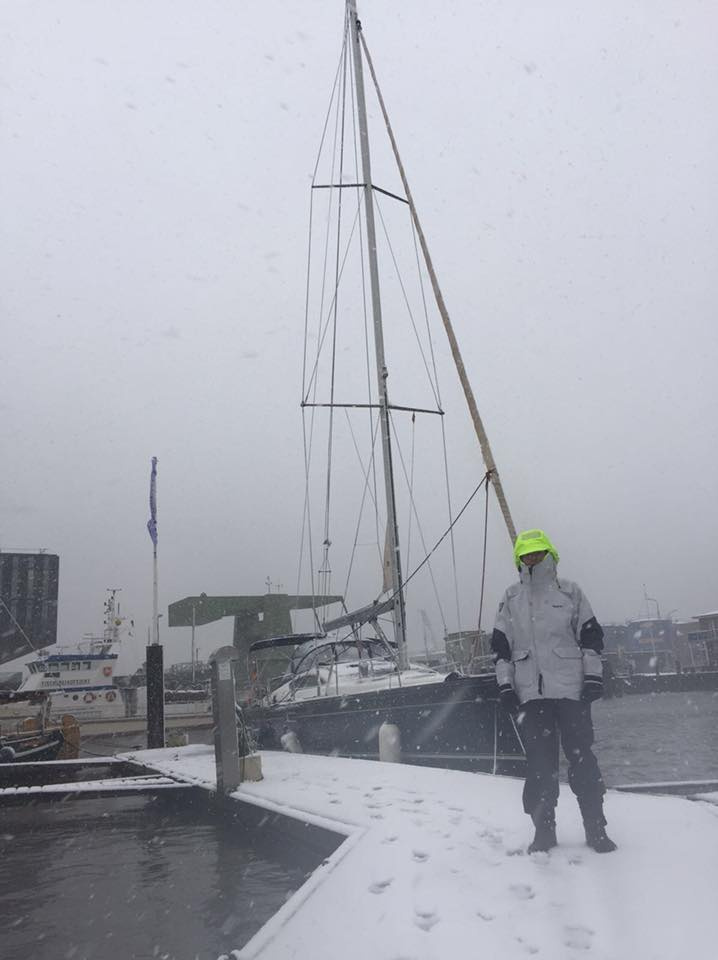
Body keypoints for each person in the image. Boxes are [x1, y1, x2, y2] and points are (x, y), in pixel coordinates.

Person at [491, 529, 617, 854]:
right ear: (518, 559)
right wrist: (505, 685)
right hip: (530, 695)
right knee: (539, 766)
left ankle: (596, 829)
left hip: (571, 692)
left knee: (582, 759)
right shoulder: (510, 598)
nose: (532, 558)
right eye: (526, 554)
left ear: (550, 555)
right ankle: (543, 832)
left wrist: (592, 678)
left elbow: (590, 637)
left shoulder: (571, 592)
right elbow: (501, 648)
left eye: (538, 553)